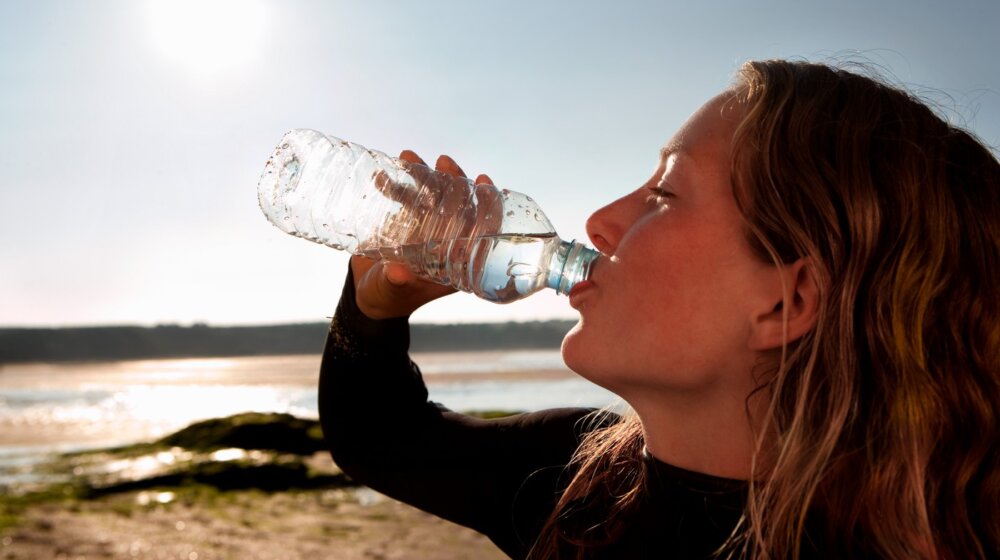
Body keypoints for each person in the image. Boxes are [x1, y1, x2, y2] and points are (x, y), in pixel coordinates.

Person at [317, 59, 1000, 559]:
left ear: (786, 302)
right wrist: (377, 309)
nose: (600, 221)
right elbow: (378, 438)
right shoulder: (585, 482)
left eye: (665, 194)